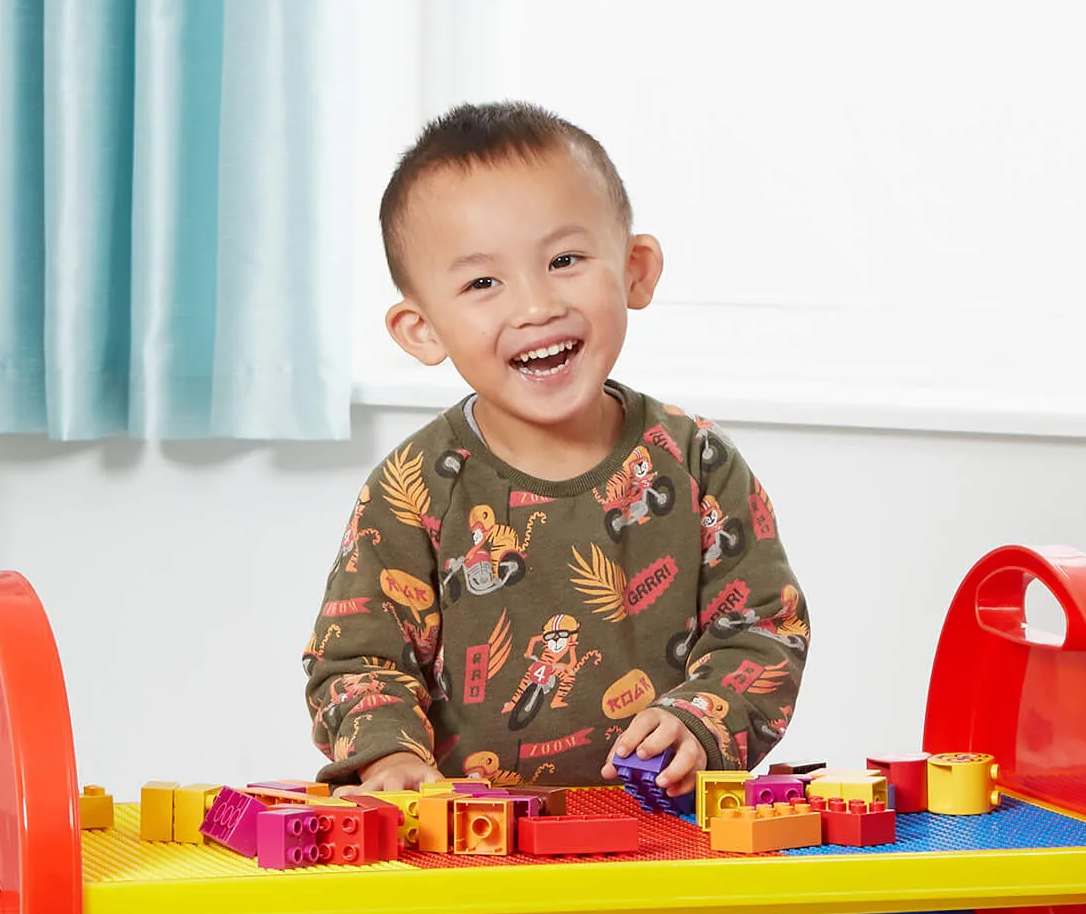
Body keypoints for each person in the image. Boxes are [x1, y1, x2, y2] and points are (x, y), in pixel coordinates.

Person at [304, 102, 809, 798]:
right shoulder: (414, 487)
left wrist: (700, 720)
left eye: (565, 260)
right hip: (468, 851)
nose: (536, 306)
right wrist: (389, 760)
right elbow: (358, 657)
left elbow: (763, 628)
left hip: (663, 834)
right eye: (483, 283)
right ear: (422, 329)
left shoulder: (697, 465)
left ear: (635, 270)